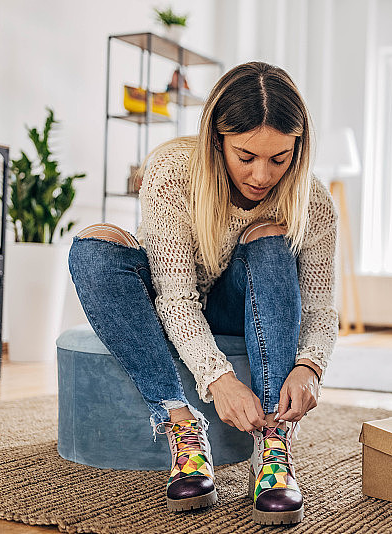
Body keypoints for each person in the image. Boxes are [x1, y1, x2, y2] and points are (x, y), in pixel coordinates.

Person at [68, 62, 338, 525]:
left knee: (271, 238)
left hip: (235, 305)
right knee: (93, 246)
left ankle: (273, 441)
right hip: (166, 300)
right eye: (246, 155)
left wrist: (310, 366)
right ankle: (181, 424)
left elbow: (320, 307)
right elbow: (174, 297)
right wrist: (219, 379)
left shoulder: (313, 202)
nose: (261, 175)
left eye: (279, 158)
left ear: (298, 147)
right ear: (217, 138)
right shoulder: (173, 172)